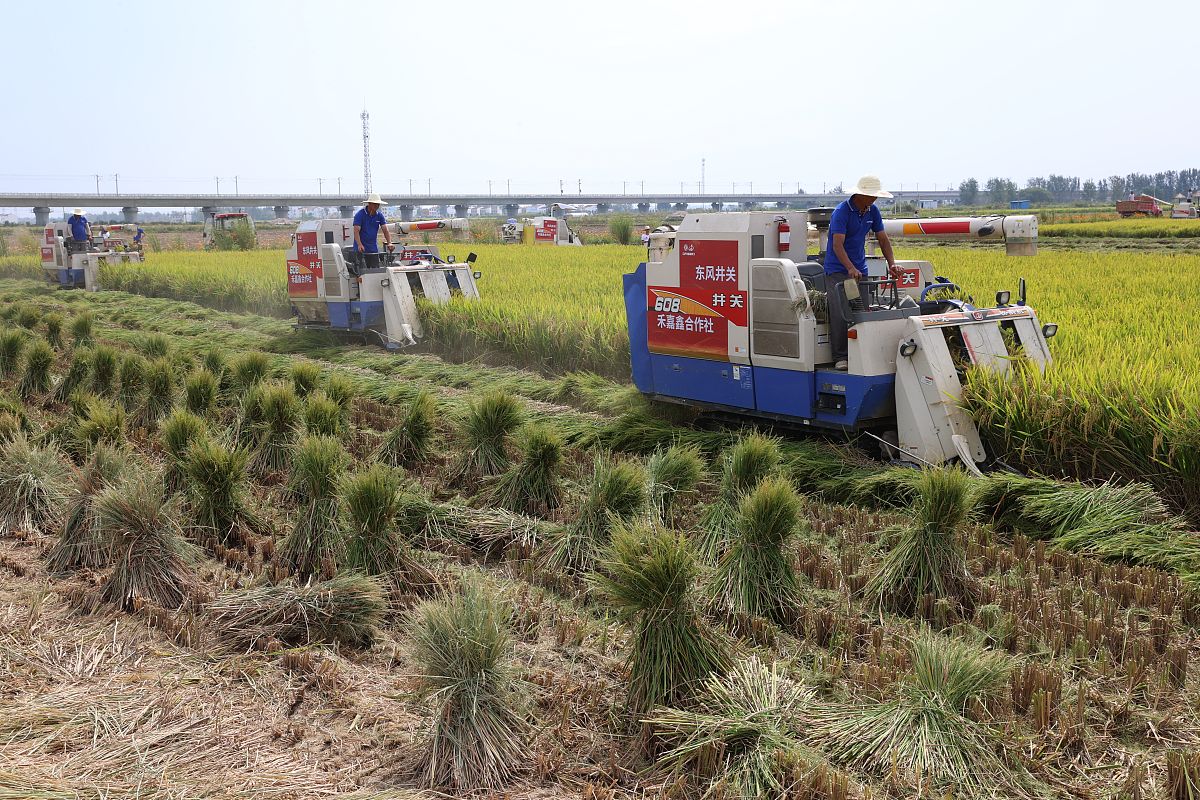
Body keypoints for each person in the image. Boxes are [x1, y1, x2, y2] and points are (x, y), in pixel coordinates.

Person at [824, 175, 901, 371]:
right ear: (860, 194)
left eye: (876, 196)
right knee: (842, 313)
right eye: (871, 196)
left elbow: (883, 239)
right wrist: (850, 268)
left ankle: (861, 353)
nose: (874, 200)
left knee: (862, 312)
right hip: (839, 271)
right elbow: (837, 244)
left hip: (860, 269)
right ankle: (841, 356)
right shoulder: (842, 212)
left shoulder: (872, 211)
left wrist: (892, 264)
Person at [353, 193, 394, 270]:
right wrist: (359, 244)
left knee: (375, 270)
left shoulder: (379, 216)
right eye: (374, 204)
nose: (377, 206)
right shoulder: (360, 215)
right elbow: (356, 231)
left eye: (378, 204)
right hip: (360, 249)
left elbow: (385, 230)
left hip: (373, 249)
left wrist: (389, 242)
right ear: (369, 204)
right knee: (361, 272)